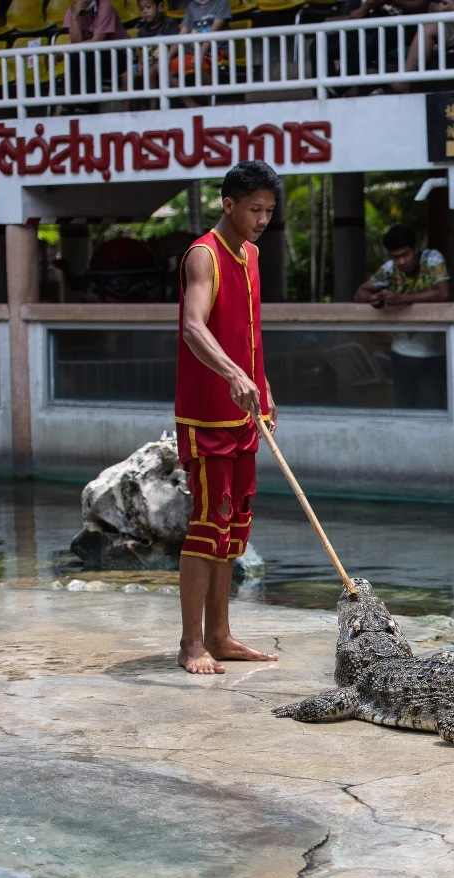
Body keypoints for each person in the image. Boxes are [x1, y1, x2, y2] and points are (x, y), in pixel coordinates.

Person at [174, 160, 283, 675]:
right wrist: (233, 376)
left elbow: (250, 332)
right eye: (254, 209)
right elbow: (194, 328)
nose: (262, 219)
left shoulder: (252, 255)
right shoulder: (204, 255)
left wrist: (263, 388)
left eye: (268, 210)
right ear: (229, 204)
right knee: (205, 524)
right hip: (207, 416)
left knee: (233, 525)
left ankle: (220, 635)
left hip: (245, 413)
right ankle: (191, 643)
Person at [353, 224, 453, 409]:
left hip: (434, 353)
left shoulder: (431, 259)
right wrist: (375, 298)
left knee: (430, 407)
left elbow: (444, 293)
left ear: (415, 249)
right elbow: (360, 293)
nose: (401, 261)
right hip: (402, 353)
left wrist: (403, 299)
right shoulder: (390, 269)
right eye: (396, 257)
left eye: (405, 254)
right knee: (403, 408)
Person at [64, 0, 129, 96]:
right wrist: (74, 18)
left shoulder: (105, 7)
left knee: (87, 58)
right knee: (74, 58)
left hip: (118, 53)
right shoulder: (71, 11)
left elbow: (96, 41)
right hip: (90, 54)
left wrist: (73, 48)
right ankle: (73, 103)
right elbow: (75, 42)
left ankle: (88, 105)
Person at [169, 0, 230, 101]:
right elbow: (182, 34)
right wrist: (168, 57)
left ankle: (212, 103)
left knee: (200, 65)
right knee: (168, 70)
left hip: (218, 52)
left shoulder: (222, 3)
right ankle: (191, 104)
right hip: (195, 54)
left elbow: (213, 33)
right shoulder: (192, 6)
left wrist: (199, 55)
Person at [123, 0, 180, 104]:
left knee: (151, 71)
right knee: (126, 75)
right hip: (148, 62)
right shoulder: (142, 31)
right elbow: (142, 50)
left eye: (148, 7)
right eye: (141, 9)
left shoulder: (169, 23)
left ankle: (153, 107)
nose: (145, 12)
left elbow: (175, 45)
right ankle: (126, 110)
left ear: (160, 7)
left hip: (168, 61)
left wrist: (166, 59)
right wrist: (140, 63)